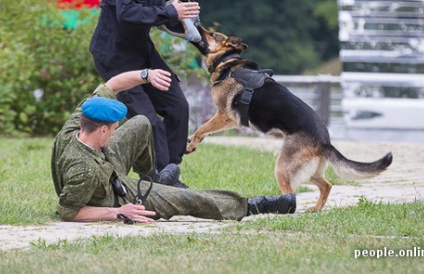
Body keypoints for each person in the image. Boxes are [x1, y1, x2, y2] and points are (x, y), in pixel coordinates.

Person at [50, 68, 296, 223]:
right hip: (111, 192)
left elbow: (113, 84)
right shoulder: (83, 171)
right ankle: (253, 205)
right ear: (102, 129)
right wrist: (117, 212)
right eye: (113, 129)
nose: (116, 132)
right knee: (182, 197)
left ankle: (153, 178)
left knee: (141, 123)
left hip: (105, 160)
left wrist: (146, 74)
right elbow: (68, 212)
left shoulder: (78, 124)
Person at [89, 0, 199, 187]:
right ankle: (155, 179)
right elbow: (128, 14)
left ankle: (170, 172)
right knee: (148, 121)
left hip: (142, 53)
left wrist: (184, 7)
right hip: (114, 57)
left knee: (178, 107)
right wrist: (170, 12)